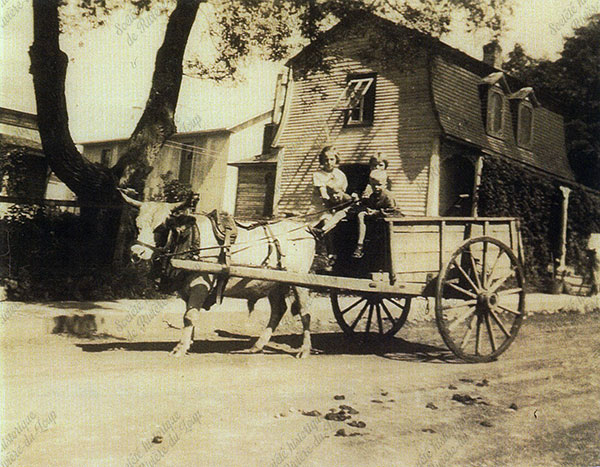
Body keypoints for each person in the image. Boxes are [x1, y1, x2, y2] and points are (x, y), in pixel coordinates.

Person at [353, 169, 398, 259]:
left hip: (390, 222)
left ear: (385, 184)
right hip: (378, 221)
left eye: (379, 185)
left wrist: (376, 212)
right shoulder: (373, 196)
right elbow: (371, 205)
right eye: (374, 185)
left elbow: (393, 211)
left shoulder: (388, 196)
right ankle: (360, 244)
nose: (376, 187)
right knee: (361, 214)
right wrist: (367, 208)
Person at [311, 146, 354, 234]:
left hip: (337, 206)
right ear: (322, 160)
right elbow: (324, 195)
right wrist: (331, 207)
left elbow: (342, 192)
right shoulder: (318, 175)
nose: (328, 162)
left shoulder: (340, 174)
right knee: (326, 220)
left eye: (331, 159)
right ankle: (324, 244)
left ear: (336, 160)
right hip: (321, 206)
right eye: (326, 160)